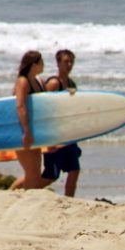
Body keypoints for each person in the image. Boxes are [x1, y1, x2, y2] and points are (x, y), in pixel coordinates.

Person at [41, 49, 82, 197]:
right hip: (54, 135)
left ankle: (69, 202)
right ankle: (17, 191)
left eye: (71, 61)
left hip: (67, 135)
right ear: (58, 63)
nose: (69, 65)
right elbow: (43, 110)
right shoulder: (53, 83)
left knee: (74, 170)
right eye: (65, 61)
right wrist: (47, 140)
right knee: (50, 176)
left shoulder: (71, 84)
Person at [10, 50, 53, 191]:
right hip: (22, 132)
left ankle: (14, 197)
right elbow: (20, 106)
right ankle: (21, 201)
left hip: (33, 132)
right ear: (34, 64)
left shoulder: (38, 81)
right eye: (41, 62)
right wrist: (26, 131)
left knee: (34, 173)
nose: (43, 65)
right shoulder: (23, 81)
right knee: (32, 174)